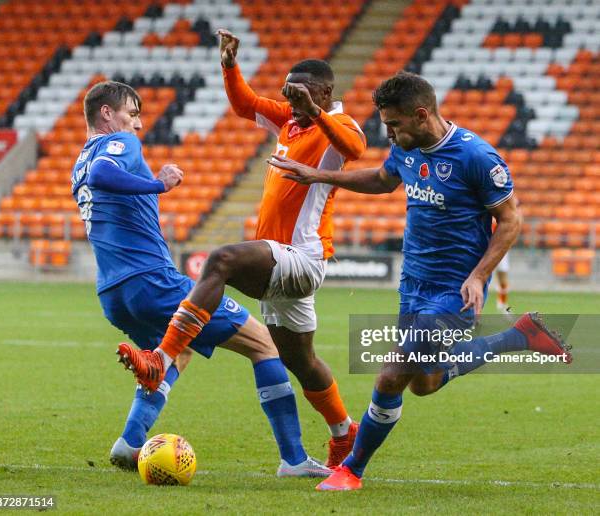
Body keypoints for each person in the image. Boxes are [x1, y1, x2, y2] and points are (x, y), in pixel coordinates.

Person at [268, 71, 573, 490]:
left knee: (390, 376)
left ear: (422, 114)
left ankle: (351, 469)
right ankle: (519, 335)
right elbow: (381, 179)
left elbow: (511, 220)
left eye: (394, 125)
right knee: (424, 384)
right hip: (414, 284)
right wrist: (321, 176)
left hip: (454, 291)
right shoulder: (405, 149)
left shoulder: (476, 157)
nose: (388, 134)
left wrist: (479, 276)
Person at [116, 29, 367, 468]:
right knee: (300, 360)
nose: (291, 98)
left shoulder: (338, 124)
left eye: (300, 91)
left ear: (325, 93)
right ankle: (344, 432)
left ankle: (163, 356)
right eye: (288, 91)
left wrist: (316, 113)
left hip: (303, 256)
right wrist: (229, 64)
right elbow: (245, 104)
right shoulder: (290, 120)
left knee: (222, 260)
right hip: (281, 263)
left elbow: (357, 148)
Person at [71, 80, 331, 478]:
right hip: (153, 283)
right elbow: (106, 175)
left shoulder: (79, 162)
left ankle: (130, 441)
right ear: (107, 114)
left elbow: (98, 180)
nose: (137, 125)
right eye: (132, 113)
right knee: (264, 346)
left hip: (114, 292)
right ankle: (294, 459)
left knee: (176, 353)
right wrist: (160, 184)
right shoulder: (116, 144)